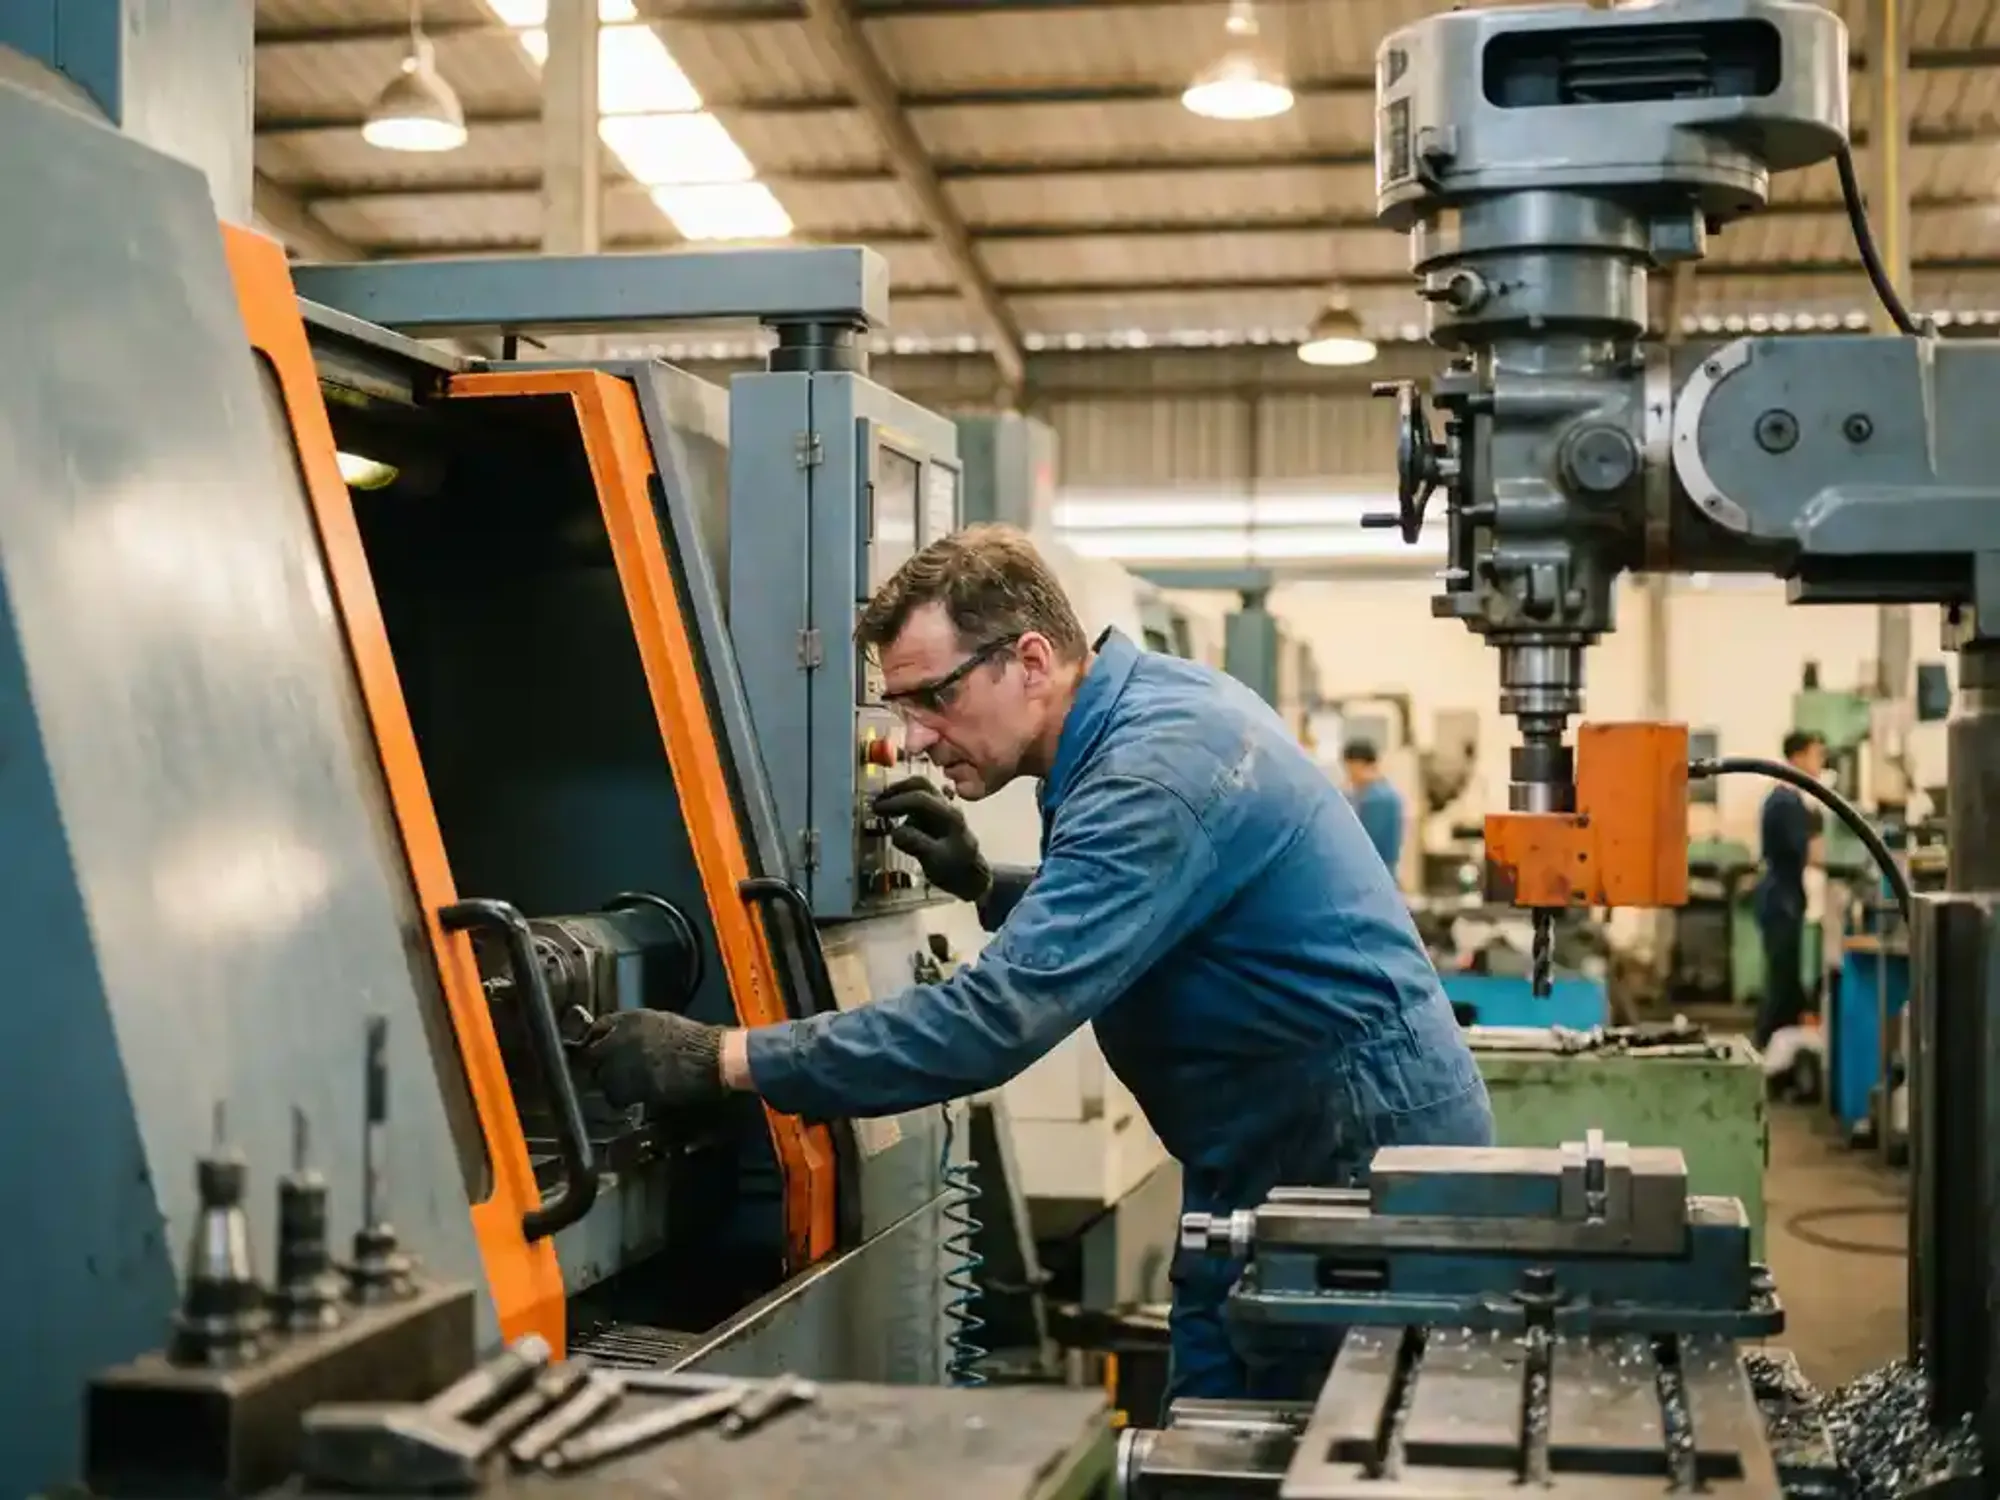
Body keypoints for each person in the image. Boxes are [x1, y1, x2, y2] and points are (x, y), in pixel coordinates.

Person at [579, 524, 1495, 1403]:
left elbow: (989, 1024)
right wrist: (986, 882)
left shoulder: (1147, 772)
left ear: (1028, 661)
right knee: (1216, 1440)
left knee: (1307, 1451)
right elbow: (1161, 910)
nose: (918, 738)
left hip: (1349, 1162)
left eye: (935, 698)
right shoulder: (1157, 705)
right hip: (1269, 1155)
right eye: (902, 708)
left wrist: (723, 1059)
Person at [1753, 730, 1827, 1048]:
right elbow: (1810, 852)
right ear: (1798, 757)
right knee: (1782, 986)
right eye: (1816, 755)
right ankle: (1767, 1055)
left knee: (1786, 983)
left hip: (1782, 897)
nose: (1820, 762)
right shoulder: (1786, 801)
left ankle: (1776, 1055)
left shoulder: (1786, 798)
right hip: (1781, 900)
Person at [1342, 739, 1405, 876]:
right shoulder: (1386, 793)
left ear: (1358, 765)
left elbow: (1365, 843)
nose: (1349, 776)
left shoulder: (1376, 799)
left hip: (1372, 875)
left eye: (1349, 769)